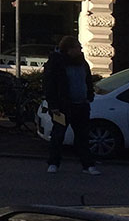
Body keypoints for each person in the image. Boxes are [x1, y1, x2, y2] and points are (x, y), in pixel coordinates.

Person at [42, 34, 100, 174]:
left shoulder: (82, 63)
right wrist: (53, 105)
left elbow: (87, 80)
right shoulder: (56, 63)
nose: (80, 50)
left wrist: (89, 96)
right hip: (62, 107)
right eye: (78, 47)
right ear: (69, 49)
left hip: (81, 105)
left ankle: (88, 165)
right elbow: (50, 85)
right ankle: (53, 163)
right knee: (58, 135)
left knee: (83, 136)